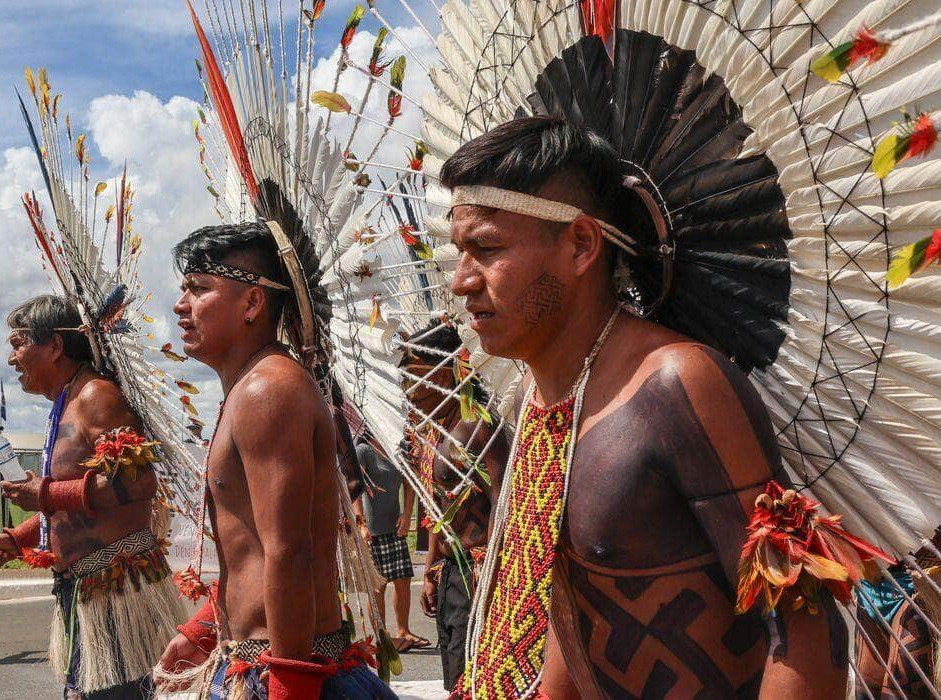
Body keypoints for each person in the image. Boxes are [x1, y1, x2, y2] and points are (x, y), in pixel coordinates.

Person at [444, 116, 852, 697]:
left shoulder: (679, 383)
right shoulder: (539, 398)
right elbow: (569, 615)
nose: (462, 281)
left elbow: (805, 622)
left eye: (487, 249)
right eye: (461, 251)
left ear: (581, 245)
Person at [155, 223, 395, 698]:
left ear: (251, 303)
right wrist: (205, 628)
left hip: (286, 672)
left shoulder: (270, 389)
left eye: (199, 289)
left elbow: (290, 550)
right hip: (257, 664)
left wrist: (290, 686)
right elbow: (257, 549)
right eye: (184, 289)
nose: (181, 306)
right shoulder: (251, 387)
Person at [0, 294, 184, 699]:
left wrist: (47, 492)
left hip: (117, 592)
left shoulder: (95, 397)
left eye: (18, 343)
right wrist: (20, 538)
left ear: (54, 346)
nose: (11, 359)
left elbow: (138, 483)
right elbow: (74, 502)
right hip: (85, 591)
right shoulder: (66, 402)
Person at [399, 322, 507, 691]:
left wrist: (493, 574)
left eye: (415, 378)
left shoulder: (478, 426)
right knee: (454, 673)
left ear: (447, 375)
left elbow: (503, 500)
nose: (408, 391)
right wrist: (431, 570)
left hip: (482, 574)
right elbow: (435, 510)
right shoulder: (433, 433)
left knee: (475, 675)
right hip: (452, 574)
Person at [351, 435, 427, 654]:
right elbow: (355, 488)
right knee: (378, 586)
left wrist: (406, 514)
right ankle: (382, 639)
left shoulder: (398, 447)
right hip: (372, 532)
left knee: (403, 579)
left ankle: (404, 632)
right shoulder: (364, 451)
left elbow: (408, 482)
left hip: (396, 528)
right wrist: (361, 523)